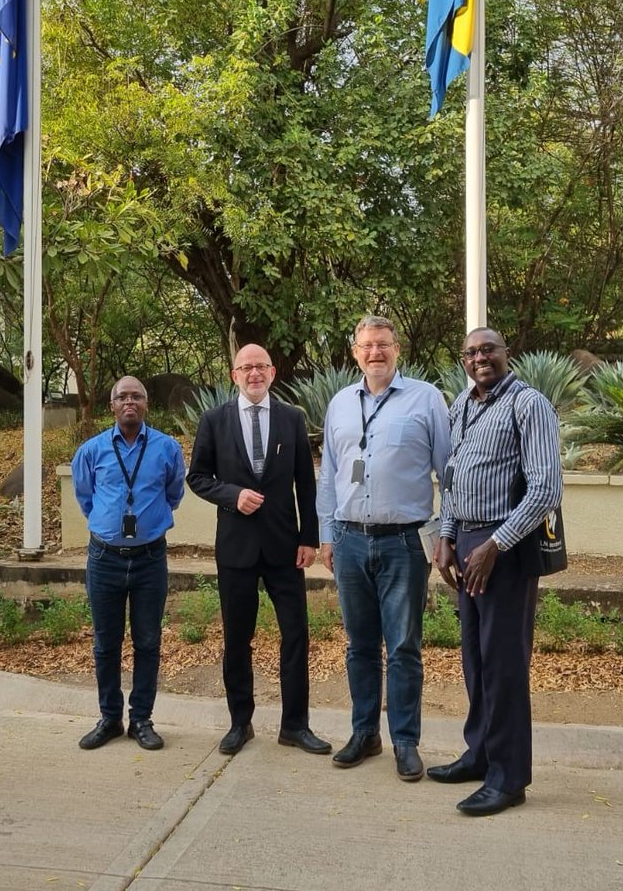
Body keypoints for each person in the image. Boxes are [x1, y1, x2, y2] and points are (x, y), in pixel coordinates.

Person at [429, 327, 562, 816]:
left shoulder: (529, 405)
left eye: (489, 349)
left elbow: (546, 488)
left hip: (504, 548)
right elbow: (453, 476)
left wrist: (494, 545)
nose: (480, 358)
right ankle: (480, 755)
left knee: (504, 664)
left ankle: (509, 779)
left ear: (508, 354)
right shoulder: (462, 405)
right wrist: (445, 536)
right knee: (475, 659)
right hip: (464, 542)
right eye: (471, 352)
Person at [318, 315, 450, 781]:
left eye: (383, 345)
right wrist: (327, 534)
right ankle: (364, 734)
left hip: (404, 544)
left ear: (398, 349)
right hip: (350, 541)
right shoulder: (338, 405)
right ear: (354, 352)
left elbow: (448, 473)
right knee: (359, 647)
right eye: (367, 345)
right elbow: (330, 475)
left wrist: (445, 535)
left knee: (404, 647)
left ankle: (406, 743)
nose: (375, 352)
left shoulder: (426, 399)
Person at [187, 343, 331, 757]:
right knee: (237, 637)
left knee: (296, 635)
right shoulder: (214, 420)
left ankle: (295, 726)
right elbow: (197, 477)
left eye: (261, 367)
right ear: (234, 375)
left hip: (286, 547)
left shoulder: (292, 418)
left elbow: (307, 482)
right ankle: (240, 723)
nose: (254, 373)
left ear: (272, 373)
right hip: (236, 548)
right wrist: (233, 495)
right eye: (245, 367)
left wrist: (309, 537)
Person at [72, 375, 185, 751]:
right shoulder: (91, 451)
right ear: (112, 406)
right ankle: (109, 718)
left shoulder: (167, 449)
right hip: (104, 558)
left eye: (137, 396)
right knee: (106, 643)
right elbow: (85, 497)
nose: (130, 402)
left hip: (150, 559)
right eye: (123, 396)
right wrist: (110, 525)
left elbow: (173, 493)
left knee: (148, 642)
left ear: (147, 404)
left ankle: (141, 720)